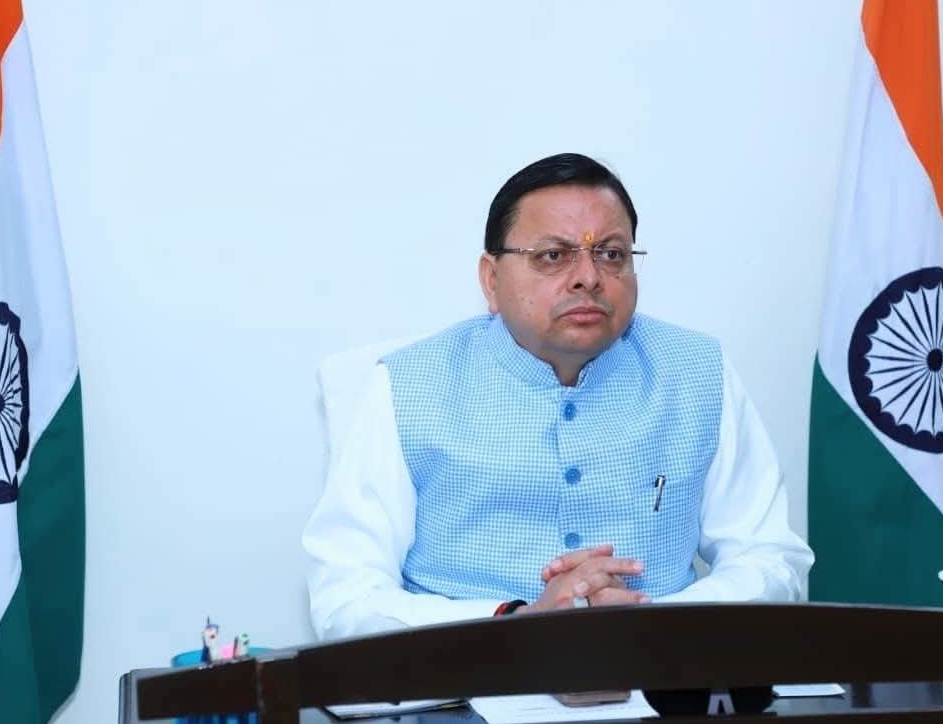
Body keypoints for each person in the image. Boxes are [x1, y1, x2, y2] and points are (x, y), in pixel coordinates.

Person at [303, 153, 813, 640]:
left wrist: (655, 622)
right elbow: (347, 598)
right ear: (491, 279)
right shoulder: (408, 386)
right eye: (553, 256)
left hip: (661, 678)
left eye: (611, 254)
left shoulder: (696, 372)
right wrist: (516, 623)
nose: (589, 277)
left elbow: (770, 558)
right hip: (469, 682)